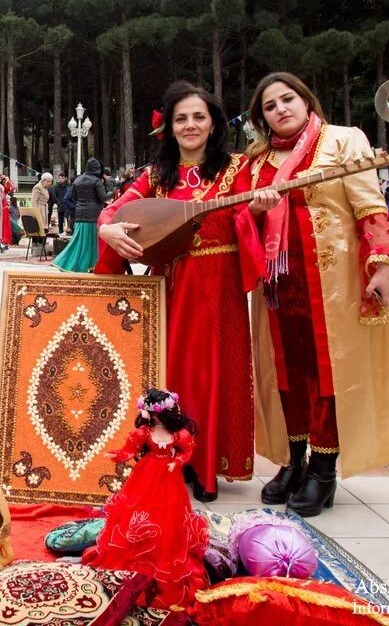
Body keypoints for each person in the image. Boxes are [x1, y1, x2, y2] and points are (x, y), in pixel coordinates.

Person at [242, 71, 389, 516]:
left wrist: (382, 264)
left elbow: (370, 205)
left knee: (327, 374)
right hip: (277, 289)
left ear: (306, 99)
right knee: (286, 375)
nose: (280, 109)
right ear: (262, 119)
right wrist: (255, 214)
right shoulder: (258, 160)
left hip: (331, 285)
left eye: (287, 99)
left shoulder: (342, 141)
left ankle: (323, 468)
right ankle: (294, 460)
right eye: (269, 106)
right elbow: (243, 221)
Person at [97, 82, 269, 501]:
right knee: (170, 371)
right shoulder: (157, 177)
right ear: (170, 129)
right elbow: (113, 211)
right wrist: (107, 228)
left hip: (220, 287)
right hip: (171, 287)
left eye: (198, 117)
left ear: (213, 125)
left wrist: (256, 210)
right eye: (181, 119)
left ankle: (206, 463)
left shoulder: (238, 169)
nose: (190, 125)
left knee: (213, 371)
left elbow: (250, 224)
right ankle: (170, 457)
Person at [82, 388, 209, 611]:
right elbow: (129, 451)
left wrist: (177, 461)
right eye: (154, 414)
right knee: (136, 512)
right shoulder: (143, 433)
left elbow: (188, 450)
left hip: (169, 479)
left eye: (160, 414)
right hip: (146, 474)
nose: (156, 418)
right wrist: (118, 455)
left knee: (169, 517)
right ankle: (135, 560)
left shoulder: (178, 434)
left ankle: (162, 558)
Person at [52, 157, 110, 272]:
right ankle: (83, 264)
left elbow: (73, 197)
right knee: (91, 243)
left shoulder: (78, 180)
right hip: (93, 215)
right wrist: (113, 191)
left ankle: (83, 265)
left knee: (78, 241)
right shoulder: (96, 181)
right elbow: (103, 197)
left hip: (79, 215)